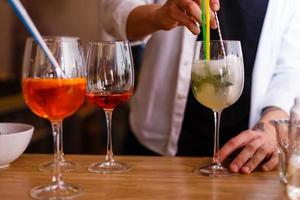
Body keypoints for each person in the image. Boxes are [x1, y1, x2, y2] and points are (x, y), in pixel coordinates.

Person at [98, 0, 300, 174]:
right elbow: (114, 12)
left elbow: (291, 67)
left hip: (245, 157)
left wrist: (271, 127)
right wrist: (158, 15)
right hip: (156, 145)